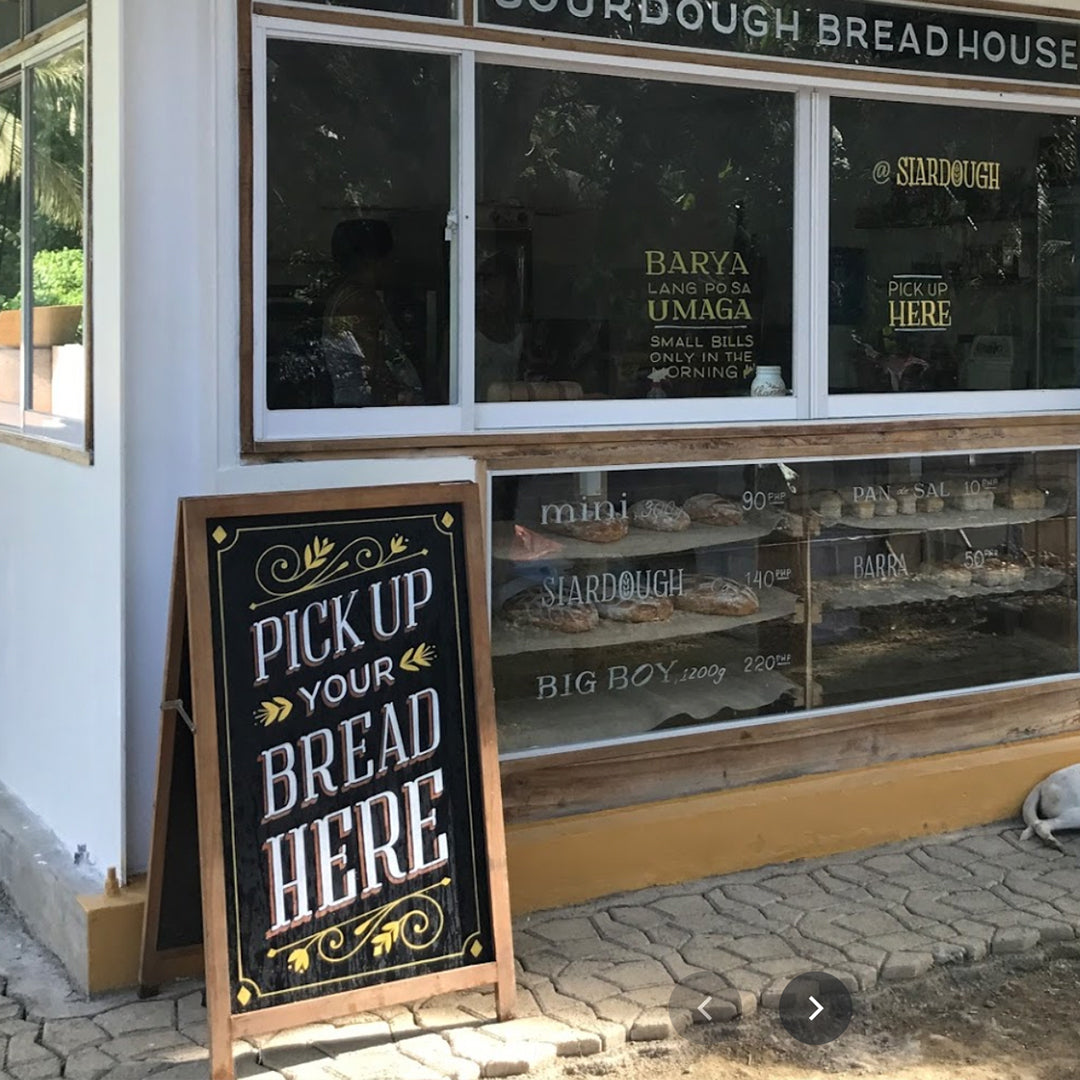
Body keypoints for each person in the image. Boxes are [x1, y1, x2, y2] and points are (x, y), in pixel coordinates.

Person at [321, 218, 424, 407]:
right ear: (373, 260)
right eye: (390, 257)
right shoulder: (361, 302)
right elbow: (371, 366)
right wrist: (396, 398)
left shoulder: (343, 295)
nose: (394, 264)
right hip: (365, 407)